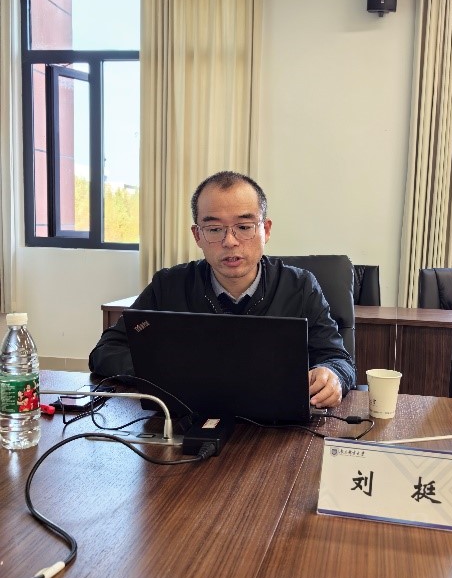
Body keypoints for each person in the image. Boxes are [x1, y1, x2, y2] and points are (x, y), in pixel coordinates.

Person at [89, 171, 355, 408]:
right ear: (197, 235)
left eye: (244, 227)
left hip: (278, 427)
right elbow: (106, 351)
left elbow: (337, 359)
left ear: (266, 230)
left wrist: (333, 376)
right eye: (214, 229)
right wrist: (162, 371)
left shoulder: (300, 286)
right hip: (185, 421)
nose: (230, 241)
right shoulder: (169, 285)